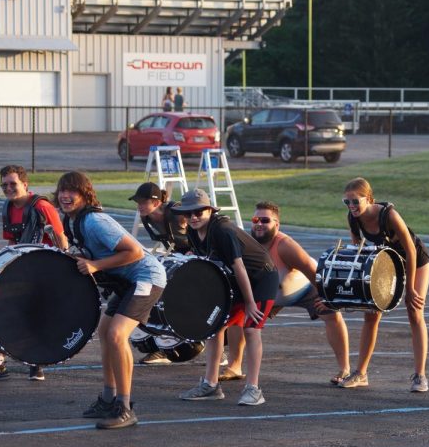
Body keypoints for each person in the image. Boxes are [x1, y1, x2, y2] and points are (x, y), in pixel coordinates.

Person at [56, 171, 167, 429]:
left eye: (72, 191)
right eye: (62, 190)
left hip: (147, 276)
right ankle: (108, 398)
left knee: (117, 334)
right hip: (127, 281)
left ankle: (125, 407)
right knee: (105, 331)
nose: (65, 196)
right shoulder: (72, 221)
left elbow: (135, 251)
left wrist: (96, 265)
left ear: (85, 195)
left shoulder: (94, 221)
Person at [221, 201, 350, 384]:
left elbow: (312, 270)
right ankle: (234, 366)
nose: (259, 224)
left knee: (331, 313)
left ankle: (344, 369)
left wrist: (326, 297)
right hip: (269, 292)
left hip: (302, 288)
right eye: (256, 219)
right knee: (239, 311)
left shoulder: (285, 246)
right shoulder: (245, 245)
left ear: (277, 224)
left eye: (265, 220)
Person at [172, 189, 279, 406]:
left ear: (210, 210)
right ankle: (210, 385)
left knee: (251, 329)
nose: (193, 217)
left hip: (260, 278)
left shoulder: (223, 230)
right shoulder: (194, 231)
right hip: (233, 280)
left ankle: (253, 389)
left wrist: (249, 303)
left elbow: (239, 266)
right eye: (189, 213)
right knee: (213, 326)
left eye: (199, 212)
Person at [0, 165, 69, 382]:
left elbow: (61, 240)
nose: (8, 188)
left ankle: (36, 362)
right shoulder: (7, 208)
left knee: (35, 316)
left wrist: (61, 272)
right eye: (4, 184)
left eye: (13, 184)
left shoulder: (43, 206)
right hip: (22, 269)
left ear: (25, 184)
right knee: (3, 312)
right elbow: (11, 242)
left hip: (45, 269)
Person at [338, 177, 429, 392]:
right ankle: (361, 373)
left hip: (415, 260)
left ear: (369, 199)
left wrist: (410, 289)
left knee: (415, 312)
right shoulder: (353, 219)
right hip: (386, 263)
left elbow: (410, 249)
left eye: (355, 201)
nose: (351, 206)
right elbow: (358, 254)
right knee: (371, 314)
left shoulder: (388, 214)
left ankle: (420, 376)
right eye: (347, 202)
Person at [129, 181, 190, 365]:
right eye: (138, 202)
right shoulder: (147, 217)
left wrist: (193, 252)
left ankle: (216, 349)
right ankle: (162, 348)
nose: (139, 206)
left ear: (156, 203)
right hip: (180, 257)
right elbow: (169, 241)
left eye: (143, 202)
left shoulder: (177, 214)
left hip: (197, 258)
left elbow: (200, 227)